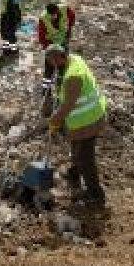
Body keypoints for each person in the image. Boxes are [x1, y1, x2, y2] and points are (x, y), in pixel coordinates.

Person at [46, 45, 107, 205]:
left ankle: (96, 194)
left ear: (59, 57)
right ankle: (74, 173)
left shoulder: (73, 76)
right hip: (82, 120)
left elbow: (68, 105)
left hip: (89, 120)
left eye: (52, 61)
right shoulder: (74, 59)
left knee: (85, 158)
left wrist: (55, 120)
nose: (52, 66)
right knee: (75, 148)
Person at [39, 1, 76, 78]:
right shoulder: (43, 18)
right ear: (48, 13)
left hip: (63, 41)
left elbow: (72, 17)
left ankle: (61, 82)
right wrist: (47, 48)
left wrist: (69, 29)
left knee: (63, 65)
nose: (54, 16)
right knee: (49, 68)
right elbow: (41, 36)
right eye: (52, 15)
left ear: (57, 9)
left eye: (55, 14)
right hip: (51, 43)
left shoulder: (65, 9)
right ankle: (46, 87)